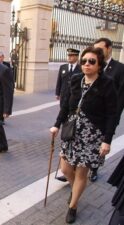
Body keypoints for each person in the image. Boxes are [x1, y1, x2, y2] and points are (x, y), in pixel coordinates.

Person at [50, 47, 118, 224]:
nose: (87, 64)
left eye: (92, 61)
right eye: (84, 61)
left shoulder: (107, 83)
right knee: (65, 169)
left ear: (99, 64)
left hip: (92, 135)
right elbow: (65, 105)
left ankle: (73, 206)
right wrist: (57, 124)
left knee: (81, 173)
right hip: (72, 131)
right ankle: (76, 190)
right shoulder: (75, 79)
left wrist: (107, 140)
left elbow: (112, 113)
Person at [89, 38, 124, 182]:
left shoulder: (120, 69)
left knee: (100, 145)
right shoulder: (94, 65)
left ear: (109, 48)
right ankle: (76, 168)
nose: (97, 52)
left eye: (100, 49)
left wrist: (114, 120)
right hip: (90, 114)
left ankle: (94, 169)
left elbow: (121, 97)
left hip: (107, 117)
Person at [55, 48, 82, 182]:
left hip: (76, 108)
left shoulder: (81, 69)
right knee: (67, 131)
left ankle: (74, 170)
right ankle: (68, 171)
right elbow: (59, 81)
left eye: (72, 55)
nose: (69, 57)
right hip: (65, 102)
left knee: (72, 134)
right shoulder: (63, 67)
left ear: (77, 57)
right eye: (69, 55)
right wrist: (57, 93)